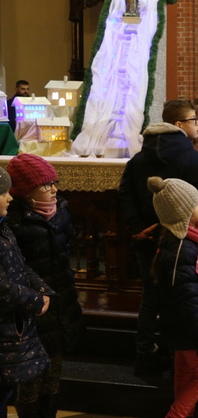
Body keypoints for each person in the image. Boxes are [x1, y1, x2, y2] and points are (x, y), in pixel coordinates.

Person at [118, 99, 198, 375]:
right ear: (179, 125)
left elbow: (125, 194)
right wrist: (167, 227)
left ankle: (144, 353)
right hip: (180, 240)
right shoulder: (191, 158)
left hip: (144, 240)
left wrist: (138, 227)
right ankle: (174, 354)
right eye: (194, 120)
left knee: (150, 296)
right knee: (179, 299)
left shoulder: (139, 157)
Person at [6, 154, 84, 418]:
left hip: (60, 302)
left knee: (53, 374)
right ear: (25, 190)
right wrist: (36, 297)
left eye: (54, 182)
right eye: (45, 185)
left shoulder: (60, 210)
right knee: (30, 378)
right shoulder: (13, 220)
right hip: (33, 307)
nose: (54, 189)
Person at [149, 176, 198, 418]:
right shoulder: (184, 248)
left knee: (183, 372)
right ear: (182, 212)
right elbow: (188, 298)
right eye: (196, 202)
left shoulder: (186, 241)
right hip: (188, 326)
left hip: (179, 324)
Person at [0, 166, 53, 417]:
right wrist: (35, 300)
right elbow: (2, 287)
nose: (10, 198)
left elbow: (21, 265)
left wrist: (42, 290)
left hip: (11, 328)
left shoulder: (4, 228)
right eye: (4, 193)